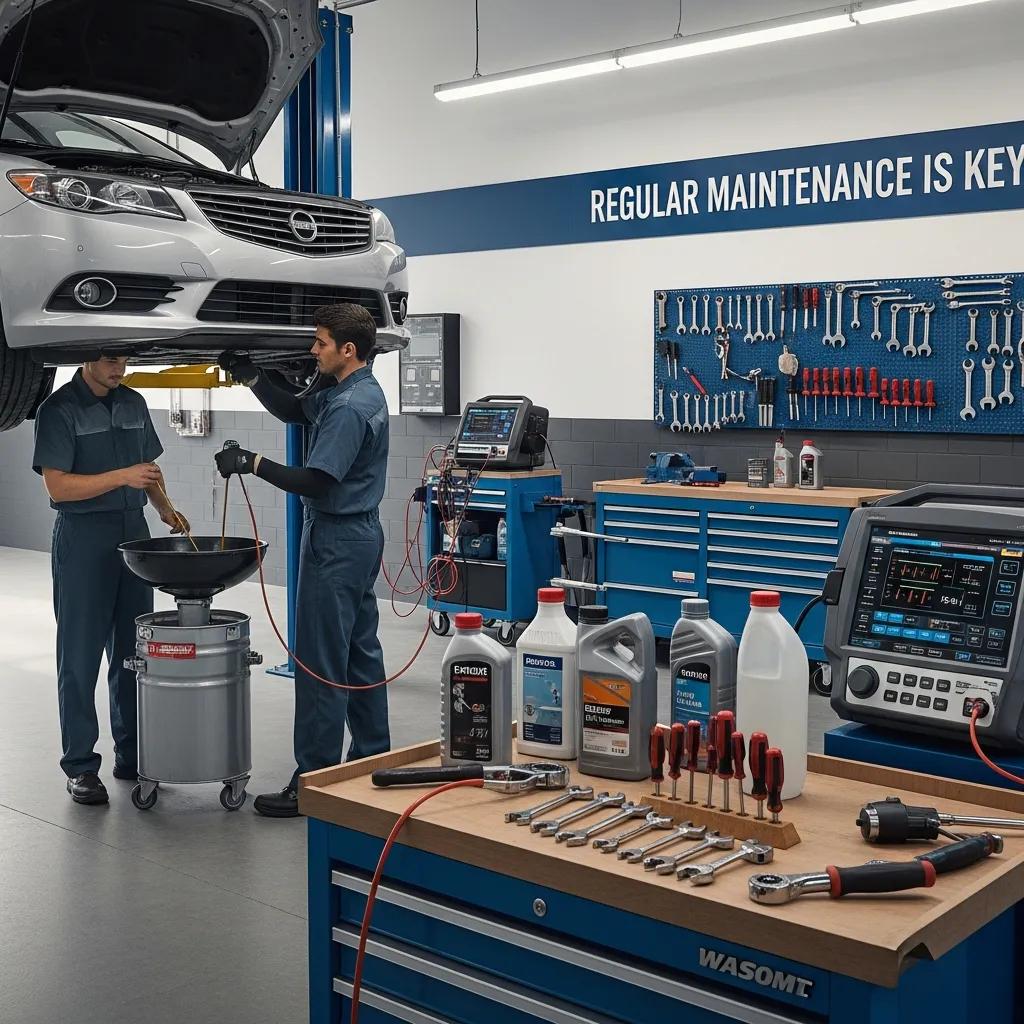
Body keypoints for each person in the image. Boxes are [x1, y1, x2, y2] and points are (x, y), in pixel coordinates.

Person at [216, 303, 391, 818]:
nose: (312, 351)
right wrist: (252, 376)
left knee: (319, 664)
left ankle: (313, 779)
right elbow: (297, 410)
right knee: (361, 654)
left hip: (335, 542)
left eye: (319, 343)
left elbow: (317, 480)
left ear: (348, 349)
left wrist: (253, 463)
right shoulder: (360, 391)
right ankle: (369, 761)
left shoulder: (346, 409)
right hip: (362, 537)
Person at [32, 356, 189, 805]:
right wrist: (123, 476)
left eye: (124, 359)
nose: (119, 367)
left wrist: (162, 508)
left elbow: (148, 471)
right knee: (79, 657)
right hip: (83, 537)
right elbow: (57, 488)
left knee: (133, 653)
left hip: (133, 533)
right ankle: (80, 766)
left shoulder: (134, 403)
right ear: (87, 357)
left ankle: (132, 754)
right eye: (110, 359)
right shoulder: (58, 410)